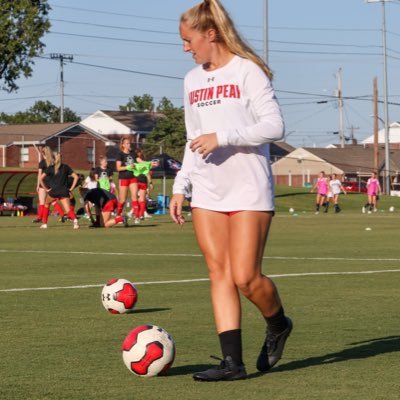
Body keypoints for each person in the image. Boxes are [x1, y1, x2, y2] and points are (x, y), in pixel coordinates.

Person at [169, 0, 291, 382]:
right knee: (218, 272)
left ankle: (278, 323)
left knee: (245, 277)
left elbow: (274, 127)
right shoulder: (191, 81)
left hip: (249, 187)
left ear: (211, 34)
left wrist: (222, 137)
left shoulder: (248, 71)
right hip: (207, 189)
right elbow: (193, 138)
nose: (185, 48)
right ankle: (231, 363)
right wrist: (180, 185)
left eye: (188, 40)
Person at [39, 151, 80, 229]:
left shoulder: (50, 168)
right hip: (64, 191)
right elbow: (76, 177)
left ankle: (44, 224)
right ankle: (75, 221)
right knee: (68, 210)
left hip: (53, 192)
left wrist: (46, 189)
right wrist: (71, 188)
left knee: (46, 204)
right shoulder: (66, 167)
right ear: (61, 158)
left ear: (53, 159)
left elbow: (41, 178)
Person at [115, 137, 138, 220]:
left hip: (133, 177)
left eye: (129, 143)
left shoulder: (133, 153)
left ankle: (136, 217)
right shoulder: (120, 154)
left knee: (135, 196)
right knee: (123, 199)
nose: (129, 145)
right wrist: (128, 167)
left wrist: (150, 163)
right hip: (123, 178)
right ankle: (118, 215)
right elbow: (118, 168)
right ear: (123, 145)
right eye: (127, 143)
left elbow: (140, 161)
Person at [33, 146, 54, 223]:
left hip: (43, 183)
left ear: (43, 153)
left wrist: (38, 185)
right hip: (52, 183)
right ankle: (62, 215)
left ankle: (40, 217)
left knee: (42, 202)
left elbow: (39, 175)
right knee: (53, 201)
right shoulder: (53, 162)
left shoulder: (42, 162)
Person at [134, 149, 153, 221]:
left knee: (136, 199)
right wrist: (150, 183)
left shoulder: (134, 163)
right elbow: (147, 174)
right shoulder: (144, 163)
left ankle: (137, 215)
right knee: (142, 199)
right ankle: (141, 215)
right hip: (143, 182)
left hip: (135, 182)